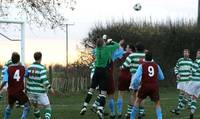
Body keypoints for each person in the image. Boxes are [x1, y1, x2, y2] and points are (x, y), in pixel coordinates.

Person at [80, 38, 119, 119]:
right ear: (103, 44)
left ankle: (84, 106)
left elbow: (100, 45)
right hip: (104, 71)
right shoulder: (108, 49)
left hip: (96, 71)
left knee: (91, 90)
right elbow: (117, 45)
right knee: (103, 93)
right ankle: (100, 109)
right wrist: (111, 41)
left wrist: (104, 42)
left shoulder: (97, 50)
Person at [130, 51, 164, 119]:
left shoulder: (142, 66)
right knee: (157, 103)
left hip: (145, 86)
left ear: (145, 58)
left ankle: (132, 117)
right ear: (152, 58)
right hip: (154, 86)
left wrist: (135, 85)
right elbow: (162, 77)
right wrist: (154, 77)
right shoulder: (156, 65)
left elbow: (136, 78)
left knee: (137, 101)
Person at [0, 52, 30, 119]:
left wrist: (0, 88)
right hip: (19, 92)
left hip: (11, 92)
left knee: (10, 106)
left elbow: (4, 81)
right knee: (27, 106)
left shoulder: (8, 69)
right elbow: (27, 74)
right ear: (19, 60)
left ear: (12, 60)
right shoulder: (23, 68)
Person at [26, 52, 55, 119]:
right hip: (40, 92)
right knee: (48, 107)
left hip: (30, 91)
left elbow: (26, 76)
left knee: (35, 107)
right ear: (41, 58)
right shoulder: (42, 67)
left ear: (34, 57)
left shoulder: (29, 67)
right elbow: (44, 80)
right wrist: (50, 88)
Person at [172, 49, 200, 119]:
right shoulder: (180, 60)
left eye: (198, 53)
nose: (197, 54)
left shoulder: (197, 61)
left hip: (194, 81)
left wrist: (190, 75)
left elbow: (193, 71)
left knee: (186, 96)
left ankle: (178, 110)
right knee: (194, 98)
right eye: (197, 53)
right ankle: (191, 114)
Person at [121, 42, 145, 118]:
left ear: (136, 48)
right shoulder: (146, 56)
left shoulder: (132, 55)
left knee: (132, 94)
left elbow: (124, 66)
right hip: (144, 77)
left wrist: (121, 67)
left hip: (135, 76)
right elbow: (152, 64)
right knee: (141, 95)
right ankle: (141, 113)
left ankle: (129, 113)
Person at [171, 49, 193, 113]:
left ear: (189, 54)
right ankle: (180, 105)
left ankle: (189, 105)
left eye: (186, 52)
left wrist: (191, 75)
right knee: (181, 93)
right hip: (181, 80)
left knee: (188, 93)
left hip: (188, 80)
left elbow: (192, 69)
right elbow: (176, 67)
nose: (185, 53)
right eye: (184, 52)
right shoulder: (180, 60)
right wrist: (177, 74)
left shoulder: (191, 61)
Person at [116, 44, 134, 118]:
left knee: (120, 94)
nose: (125, 48)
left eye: (127, 47)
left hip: (122, 75)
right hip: (131, 76)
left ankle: (119, 113)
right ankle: (129, 112)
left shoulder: (123, 54)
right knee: (131, 95)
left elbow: (117, 56)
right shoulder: (134, 55)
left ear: (130, 49)